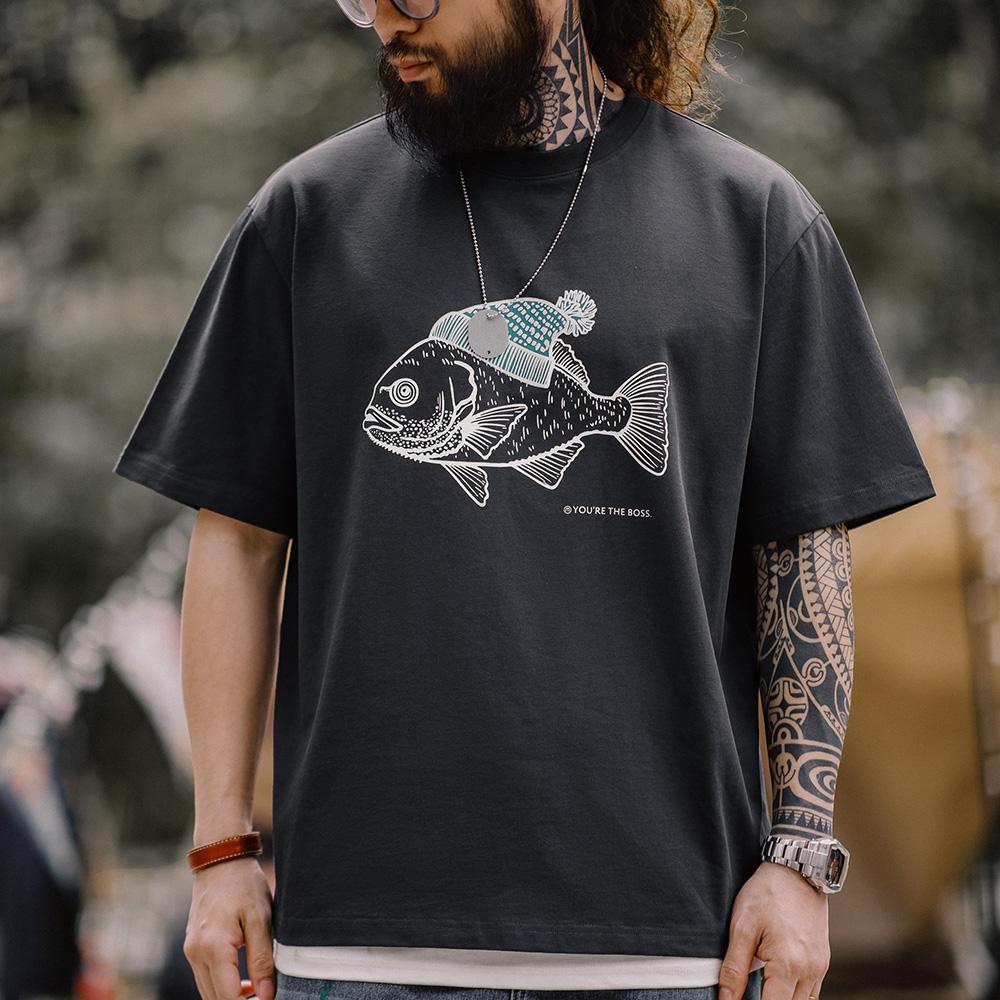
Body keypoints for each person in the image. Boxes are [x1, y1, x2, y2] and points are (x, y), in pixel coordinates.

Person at [112, 1, 938, 999]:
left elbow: (802, 555)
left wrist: (801, 857)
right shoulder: (305, 216)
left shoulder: (756, 221)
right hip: (354, 949)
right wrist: (220, 848)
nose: (385, 21)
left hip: (677, 949)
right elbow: (237, 542)